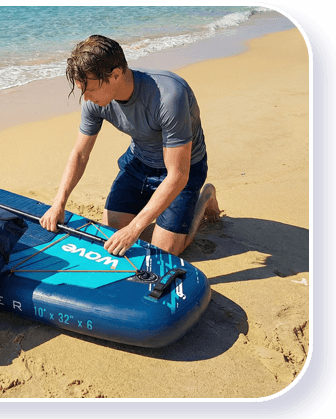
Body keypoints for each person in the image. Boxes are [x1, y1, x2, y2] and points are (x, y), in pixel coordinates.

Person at [39, 35, 221, 257]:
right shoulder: (93, 102)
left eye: (90, 89)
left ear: (116, 75)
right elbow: (80, 154)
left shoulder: (168, 96)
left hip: (184, 169)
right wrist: (59, 203)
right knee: (109, 233)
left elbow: (178, 174)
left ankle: (204, 198)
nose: (85, 98)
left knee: (165, 252)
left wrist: (135, 228)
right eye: (82, 90)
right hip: (139, 162)